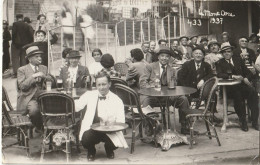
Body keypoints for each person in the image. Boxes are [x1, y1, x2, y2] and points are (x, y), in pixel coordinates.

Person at [74, 71, 128, 161]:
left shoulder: (117, 100)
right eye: (99, 85)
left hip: (110, 130)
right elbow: (76, 106)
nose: (101, 88)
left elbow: (121, 121)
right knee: (85, 139)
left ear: (109, 84)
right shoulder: (89, 95)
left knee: (115, 143)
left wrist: (112, 125)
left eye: (104, 84)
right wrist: (65, 101)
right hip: (92, 130)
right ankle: (91, 150)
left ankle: (109, 149)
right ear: (96, 85)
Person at [139, 46, 191, 134]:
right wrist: (154, 87)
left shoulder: (172, 70)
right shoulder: (150, 67)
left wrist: (172, 85)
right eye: (162, 56)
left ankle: (184, 125)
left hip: (168, 96)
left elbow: (174, 84)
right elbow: (142, 83)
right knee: (146, 100)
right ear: (158, 57)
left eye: (167, 56)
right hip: (153, 96)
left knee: (183, 99)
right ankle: (149, 126)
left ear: (170, 58)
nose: (164, 58)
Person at [216, 43, 259, 131]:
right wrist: (232, 76)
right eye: (224, 52)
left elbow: (248, 72)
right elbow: (219, 74)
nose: (227, 53)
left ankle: (255, 121)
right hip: (228, 89)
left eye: (228, 51)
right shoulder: (219, 63)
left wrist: (246, 78)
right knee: (238, 96)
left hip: (242, 86)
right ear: (222, 54)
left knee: (254, 93)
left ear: (232, 52)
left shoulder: (238, 60)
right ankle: (243, 121)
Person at [17, 45, 54, 131]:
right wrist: (34, 76)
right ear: (30, 59)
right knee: (34, 111)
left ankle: (53, 128)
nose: (40, 58)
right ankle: (41, 128)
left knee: (57, 107)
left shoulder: (44, 68)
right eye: (36, 56)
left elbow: (51, 80)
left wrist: (44, 77)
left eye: (40, 56)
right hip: (30, 98)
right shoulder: (22, 70)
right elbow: (22, 86)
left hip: (44, 97)